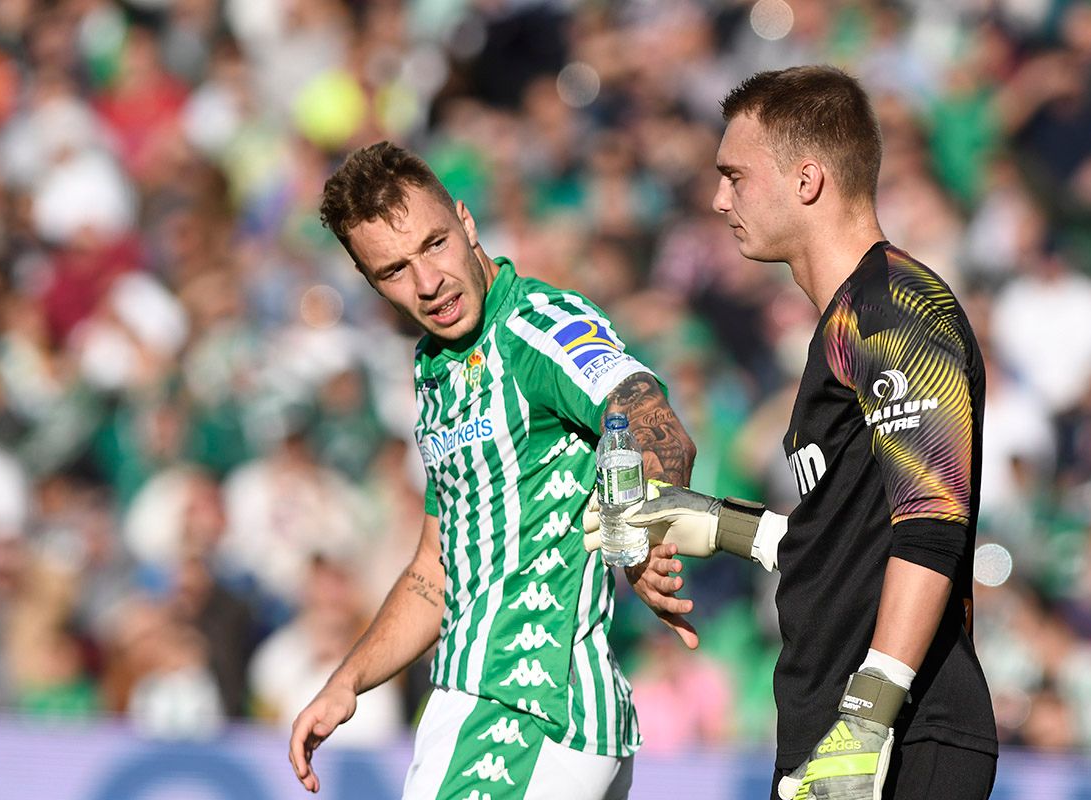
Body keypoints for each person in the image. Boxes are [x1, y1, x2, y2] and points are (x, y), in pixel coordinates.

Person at [587, 66, 998, 800]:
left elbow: (933, 526)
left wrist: (868, 720)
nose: (719, 199)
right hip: (832, 729)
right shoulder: (841, 323)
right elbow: (848, 541)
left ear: (807, 180)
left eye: (734, 176)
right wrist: (715, 523)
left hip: (898, 736)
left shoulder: (893, 306)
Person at [288, 142, 695, 799]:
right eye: (394, 270)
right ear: (369, 282)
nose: (428, 282)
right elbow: (436, 569)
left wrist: (635, 533)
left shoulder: (539, 326)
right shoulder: (433, 368)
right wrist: (349, 680)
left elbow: (648, 416)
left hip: (524, 706)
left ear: (467, 221)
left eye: (435, 244)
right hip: (490, 704)